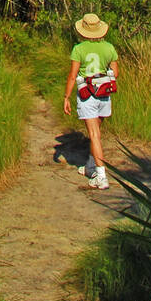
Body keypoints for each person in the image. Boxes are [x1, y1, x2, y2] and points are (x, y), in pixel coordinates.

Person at [63, 12, 118, 190]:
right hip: (104, 93)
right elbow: (115, 73)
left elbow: (72, 76)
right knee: (97, 133)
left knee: (94, 135)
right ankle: (91, 164)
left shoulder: (79, 49)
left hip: (87, 95)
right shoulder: (109, 48)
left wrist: (66, 97)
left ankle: (101, 176)